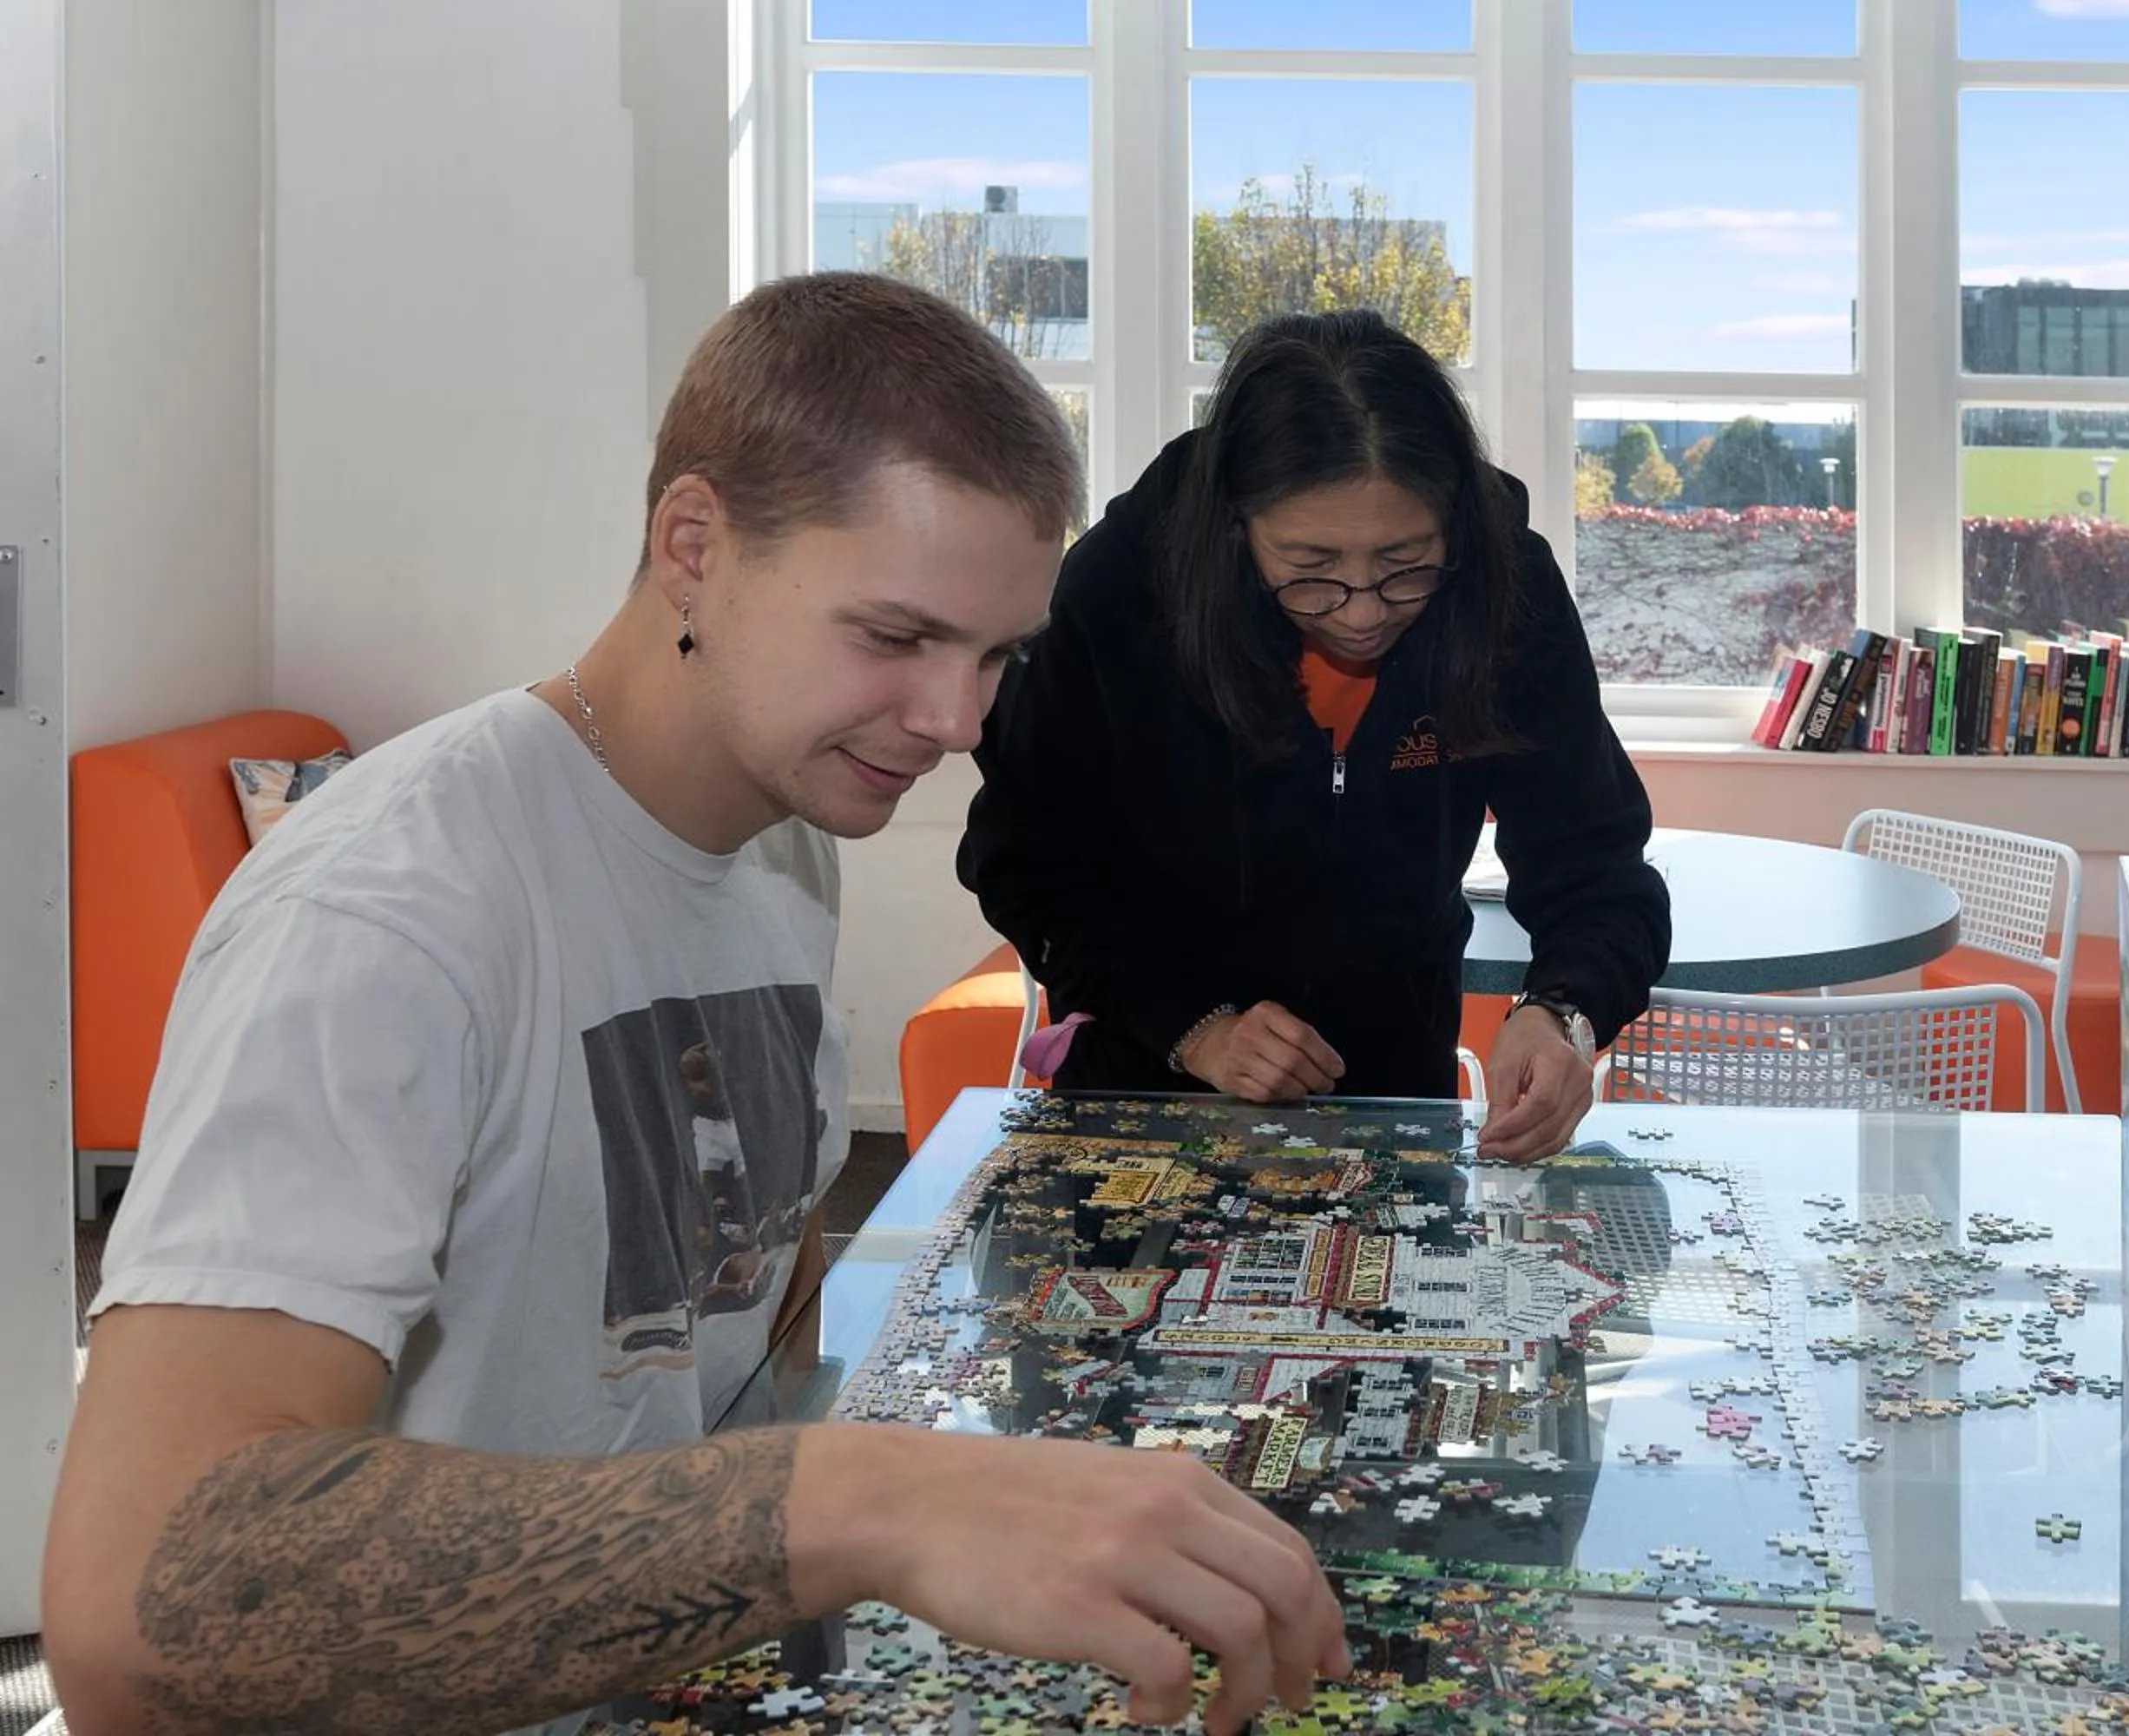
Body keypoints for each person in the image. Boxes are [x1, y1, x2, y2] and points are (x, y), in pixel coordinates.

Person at [43, 274, 1346, 1736]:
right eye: (896, 636)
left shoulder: (786, 835)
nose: (959, 723)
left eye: (997, 657)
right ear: (694, 547)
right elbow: (136, 1606)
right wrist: (863, 1499)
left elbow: (700, 1324)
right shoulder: (386, 910)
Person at [959, 311, 1669, 1161]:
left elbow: (1597, 870)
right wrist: (1193, 1026)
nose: (1364, 611)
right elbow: (1027, 861)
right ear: (1235, 526)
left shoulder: (1506, 590)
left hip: (1396, 1092)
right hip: (1145, 1086)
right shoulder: (1121, 591)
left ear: (1455, 523)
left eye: (1407, 564)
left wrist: (1565, 1013)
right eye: (1310, 570)